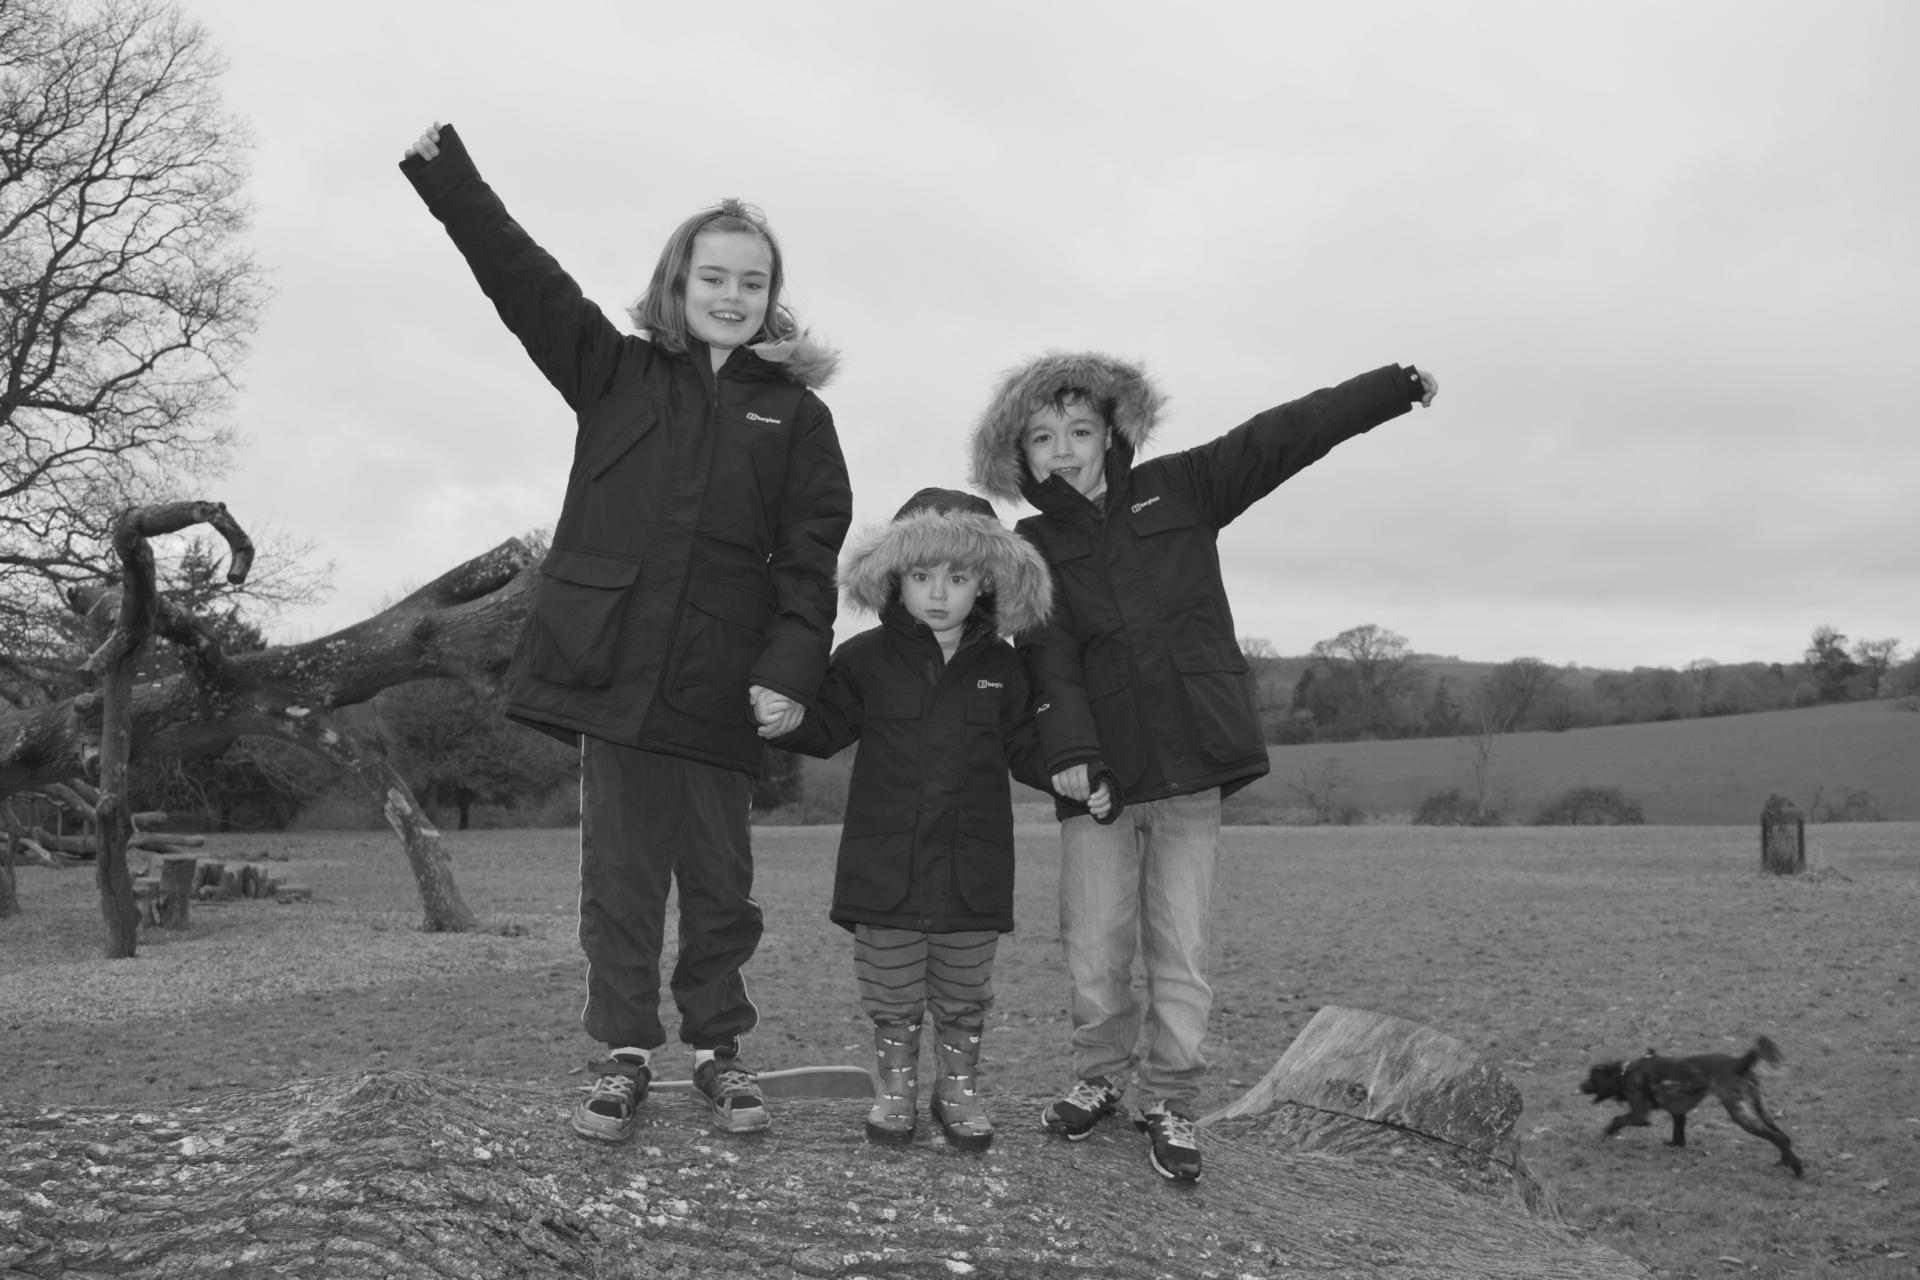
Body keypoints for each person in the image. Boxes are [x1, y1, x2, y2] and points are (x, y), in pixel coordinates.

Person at [399, 122, 852, 1141]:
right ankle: (624, 1053)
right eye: (714, 276)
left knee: (722, 887)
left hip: (720, 688)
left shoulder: (797, 417)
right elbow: (522, 276)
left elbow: (811, 556)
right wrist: (446, 173)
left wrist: (791, 669)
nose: (732, 294)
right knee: (619, 882)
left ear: (771, 295)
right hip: (613, 681)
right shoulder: (613, 371)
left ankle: (718, 1055)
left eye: (752, 280)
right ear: (677, 280)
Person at [967, 352, 1438, 1181]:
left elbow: (1284, 436)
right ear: (1021, 457)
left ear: (1115, 433)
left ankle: (1171, 1100)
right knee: (1094, 948)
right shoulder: (1029, 546)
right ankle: (1099, 1078)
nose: (1066, 448)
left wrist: (1390, 388)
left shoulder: (1181, 488)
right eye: (1043, 437)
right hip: (1098, 786)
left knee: (1179, 949)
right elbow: (1050, 661)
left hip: (1189, 770)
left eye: (1081, 429)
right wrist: (1072, 759)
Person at [770, 488, 1113, 1151]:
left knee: (963, 993)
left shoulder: (1005, 668)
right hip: (884, 867)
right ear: (895, 578)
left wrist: (1081, 777)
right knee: (893, 993)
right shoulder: (864, 659)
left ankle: (956, 1091)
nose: (938, 593)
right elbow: (825, 726)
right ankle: (895, 1088)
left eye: (957, 578)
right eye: (922, 575)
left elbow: (1028, 750)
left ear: (985, 581)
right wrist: (785, 722)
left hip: (971, 868)